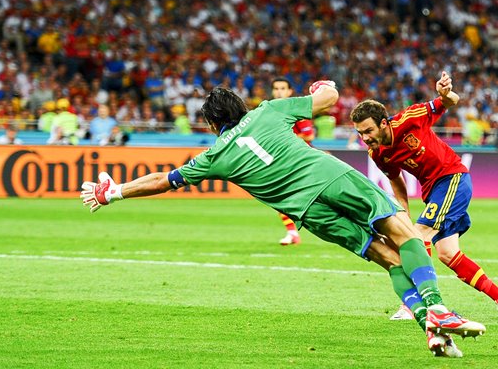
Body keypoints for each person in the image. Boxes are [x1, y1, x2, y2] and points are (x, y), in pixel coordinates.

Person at [80, 83, 486, 358]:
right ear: (240, 108)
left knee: (388, 259)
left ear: (212, 125)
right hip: (334, 179)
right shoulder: (269, 112)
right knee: (404, 233)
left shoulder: (213, 156)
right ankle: (437, 308)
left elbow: (161, 181)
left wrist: (113, 192)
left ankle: (430, 329)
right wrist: (318, 90)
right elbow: (330, 98)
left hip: (310, 214)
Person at [350, 71, 498, 321]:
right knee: (448, 254)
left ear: (384, 123)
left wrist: (445, 93)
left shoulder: (410, 118)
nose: (365, 138)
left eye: (368, 131)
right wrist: (403, 215)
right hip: (433, 192)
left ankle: (418, 304)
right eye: (360, 133)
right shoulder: (377, 154)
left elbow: (451, 101)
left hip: (452, 178)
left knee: (415, 239)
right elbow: (396, 181)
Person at [270, 77, 314, 246]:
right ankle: (292, 232)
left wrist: (281, 140)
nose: (279, 91)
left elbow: (308, 135)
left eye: (283, 88)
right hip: (284, 162)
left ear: (289, 91)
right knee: (278, 196)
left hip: (303, 161)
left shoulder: (296, 109)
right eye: (276, 88)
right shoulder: (269, 111)